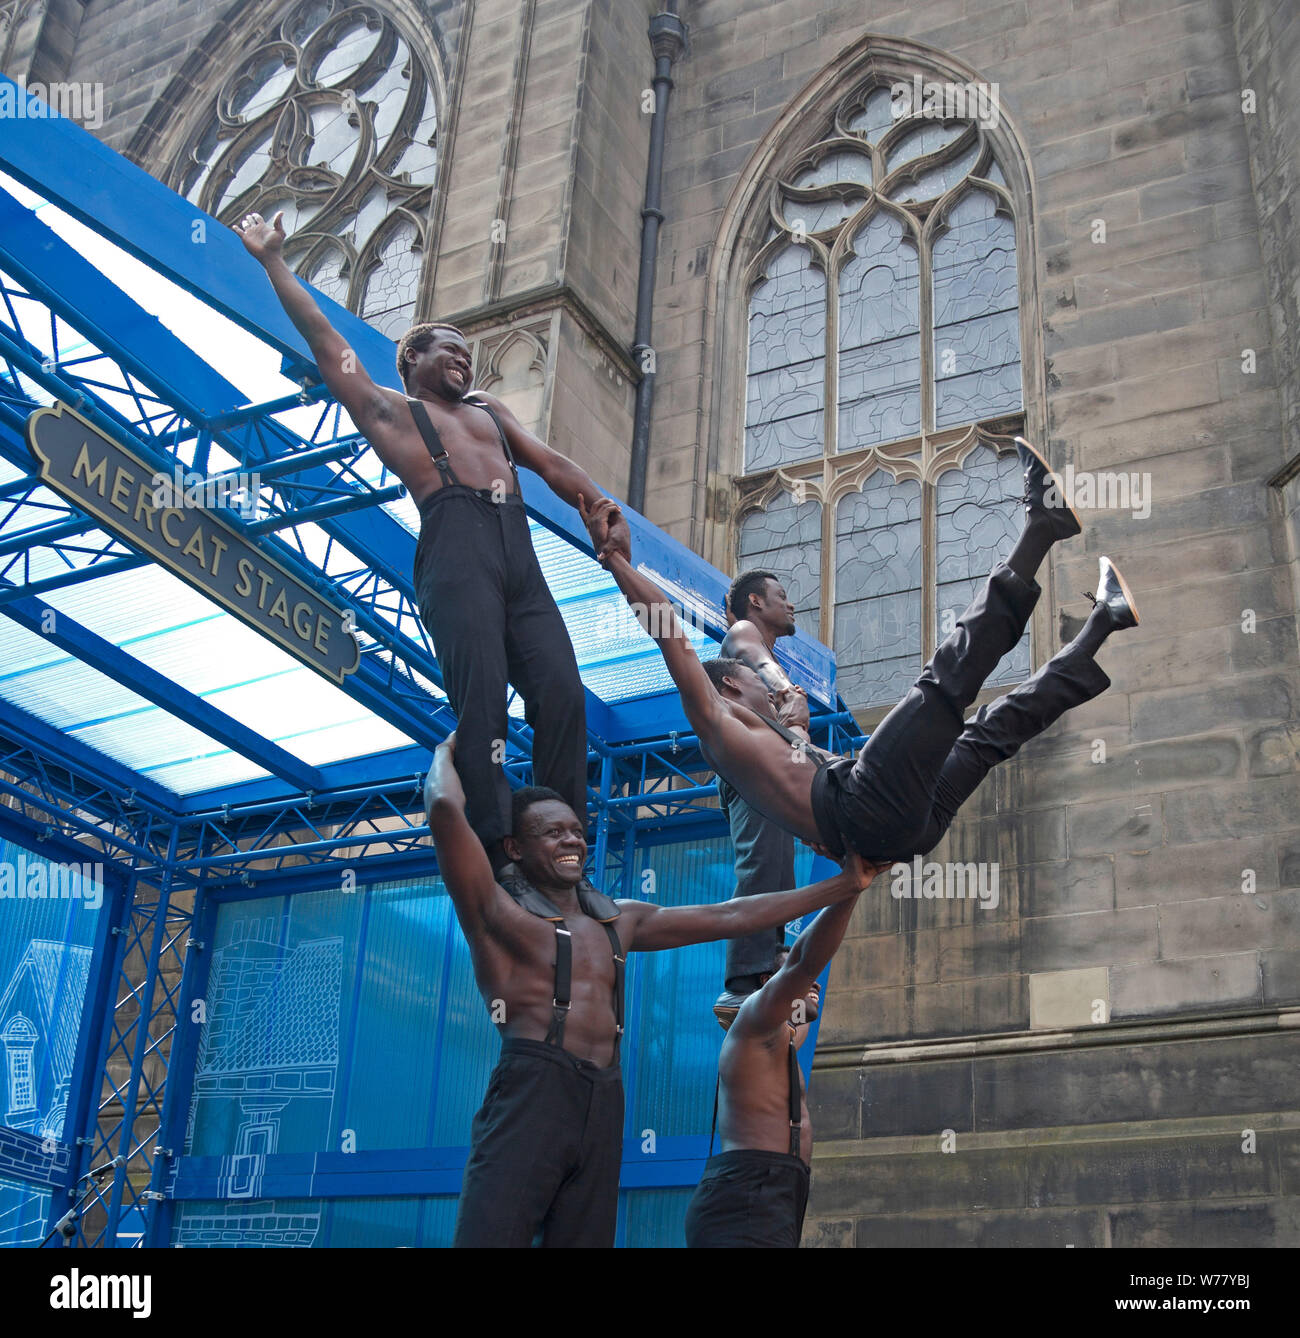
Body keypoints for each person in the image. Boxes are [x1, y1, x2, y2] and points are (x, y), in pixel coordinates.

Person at [235, 211, 630, 870]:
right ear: (411, 358)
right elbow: (327, 342)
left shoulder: (489, 412)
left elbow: (551, 462)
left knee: (561, 690)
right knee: (482, 702)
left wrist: (596, 503)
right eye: (449, 349)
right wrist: (274, 260)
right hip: (455, 549)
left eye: (468, 353)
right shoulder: (391, 412)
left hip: (516, 551)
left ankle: (565, 837)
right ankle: (499, 844)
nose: (463, 359)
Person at [579, 437, 1139, 863]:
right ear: (728, 686)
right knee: (943, 683)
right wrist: (620, 563)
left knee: (988, 734)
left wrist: (797, 728)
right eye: (755, 681)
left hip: (894, 832)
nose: (767, 689)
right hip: (863, 803)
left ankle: (1102, 624)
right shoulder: (715, 718)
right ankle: (1041, 527)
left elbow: (815, 802)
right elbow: (670, 634)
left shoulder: (774, 747)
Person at [424, 733, 886, 1247]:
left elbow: (733, 915)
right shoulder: (497, 914)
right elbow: (445, 809)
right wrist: (448, 752)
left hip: (604, 1095)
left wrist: (844, 885)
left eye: (576, 831)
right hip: (533, 1083)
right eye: (551, 833)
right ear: (515, 847)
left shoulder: (620, 921)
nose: (572, 841)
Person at [685, 891, 860, 1247]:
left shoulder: (781, 1037)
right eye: (797, 979)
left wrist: (804, 1000)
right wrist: (849, 889)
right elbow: (804, 963)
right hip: (748, 1191)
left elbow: (801, 1013)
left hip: (779, 1188)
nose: (814, 985)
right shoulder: (756, 1026)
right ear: (768, 985)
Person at [714, 572, 803, 1006]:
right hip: (747, 768)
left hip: (764, 769)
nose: (791, 605)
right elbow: (761, 663)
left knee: (777, 868)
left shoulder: (760, 652)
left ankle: (768, 957)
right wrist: (786, 692)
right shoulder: (743, 632)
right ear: (755, 601)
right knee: (762, 865)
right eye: (781, 597)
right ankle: (743, 978)